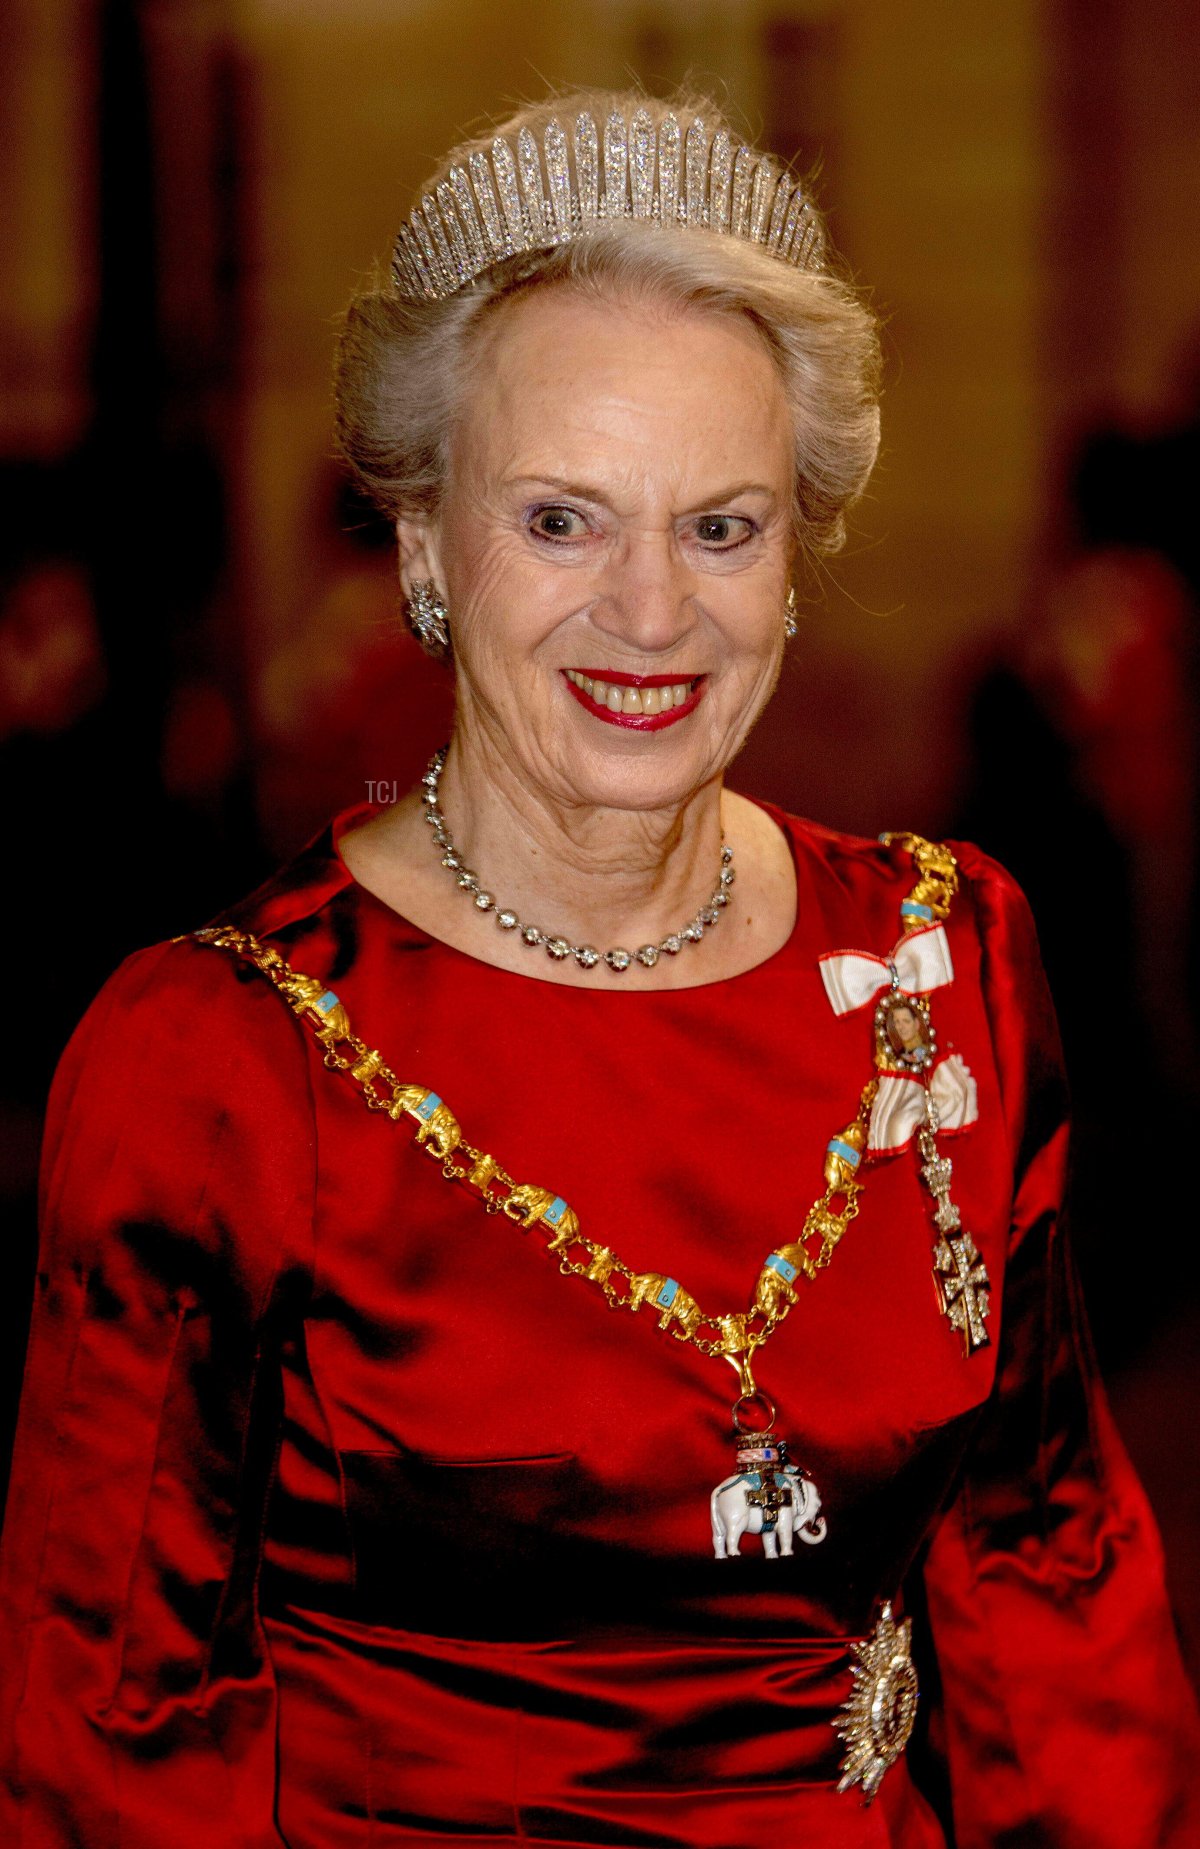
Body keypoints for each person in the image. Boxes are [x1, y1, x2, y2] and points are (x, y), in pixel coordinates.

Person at [2, 87, 1197, 1849]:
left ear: (799, 563)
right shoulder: (216, 1063)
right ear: (422, 547)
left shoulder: (950, 959)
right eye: (562, 520)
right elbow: (115, 1741)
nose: (653, 610)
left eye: (723, 525)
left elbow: (1051, 1589)